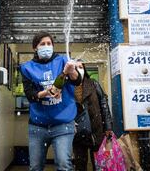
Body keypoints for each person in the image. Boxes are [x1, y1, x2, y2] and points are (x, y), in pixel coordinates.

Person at [19, 31, 81, 171]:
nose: (46, 46)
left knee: (64, 164)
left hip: (63, 125)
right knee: (35, 167)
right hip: (37, 126)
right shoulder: (26, 68)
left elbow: (77, 80)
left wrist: (71, 71)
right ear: (35, 47)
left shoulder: (64, 61)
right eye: (42, 44)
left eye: (49, 44)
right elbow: (30, 94)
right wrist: (45, 93)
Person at [73, 60, 113, 171]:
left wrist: (108, 126)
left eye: (80, 67)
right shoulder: (68, 87)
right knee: (80, 164)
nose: (78, 70)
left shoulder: (93, 83)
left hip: (96, 129)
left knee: (98, 163)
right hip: (78, 131)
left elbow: (103, 104)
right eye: (75, 67)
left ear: (84, 69)